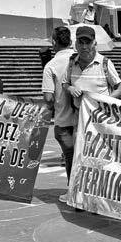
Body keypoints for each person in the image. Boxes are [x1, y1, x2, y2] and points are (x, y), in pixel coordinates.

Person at [42, 26, 76, 187]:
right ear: (71, 41)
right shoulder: (80, 60)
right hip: (84, 119)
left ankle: (73, 191)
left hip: (64, 120)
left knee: (70, 158)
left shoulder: (51, 66)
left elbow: (48, 98)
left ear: (54, 42)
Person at [62, 25, 121, 113]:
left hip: (100, 116)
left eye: (88, 43)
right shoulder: (71, 63)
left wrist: (104, 101)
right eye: (81, 42)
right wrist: (70, 88)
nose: (84, 47)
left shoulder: (104, 63)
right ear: (76, 44)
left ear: (95, 44)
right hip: (78, 117)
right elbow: (64, 83)